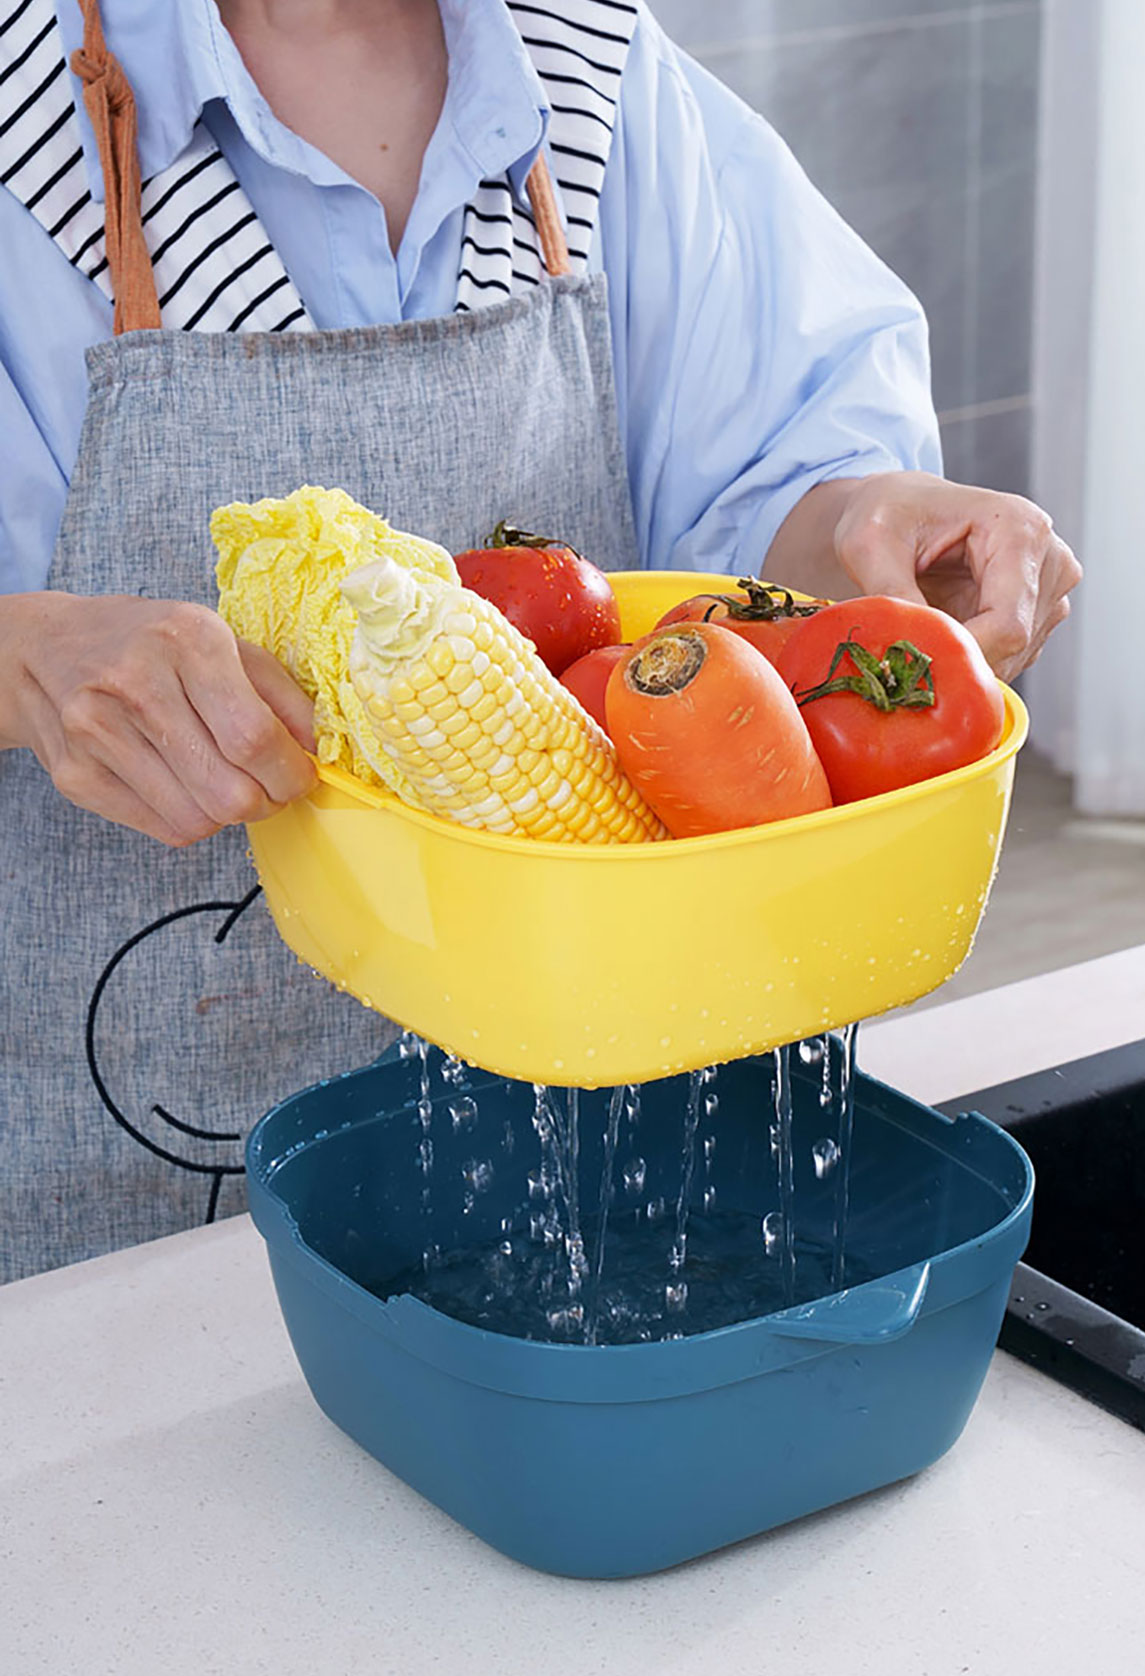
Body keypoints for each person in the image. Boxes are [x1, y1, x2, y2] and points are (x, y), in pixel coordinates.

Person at [0, 0, 1080, 1285]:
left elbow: (757, 527)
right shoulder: (27, 110)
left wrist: (869, 523)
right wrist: (26, 655)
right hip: (114, 1246)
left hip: (594, 1168)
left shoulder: (589, 67)